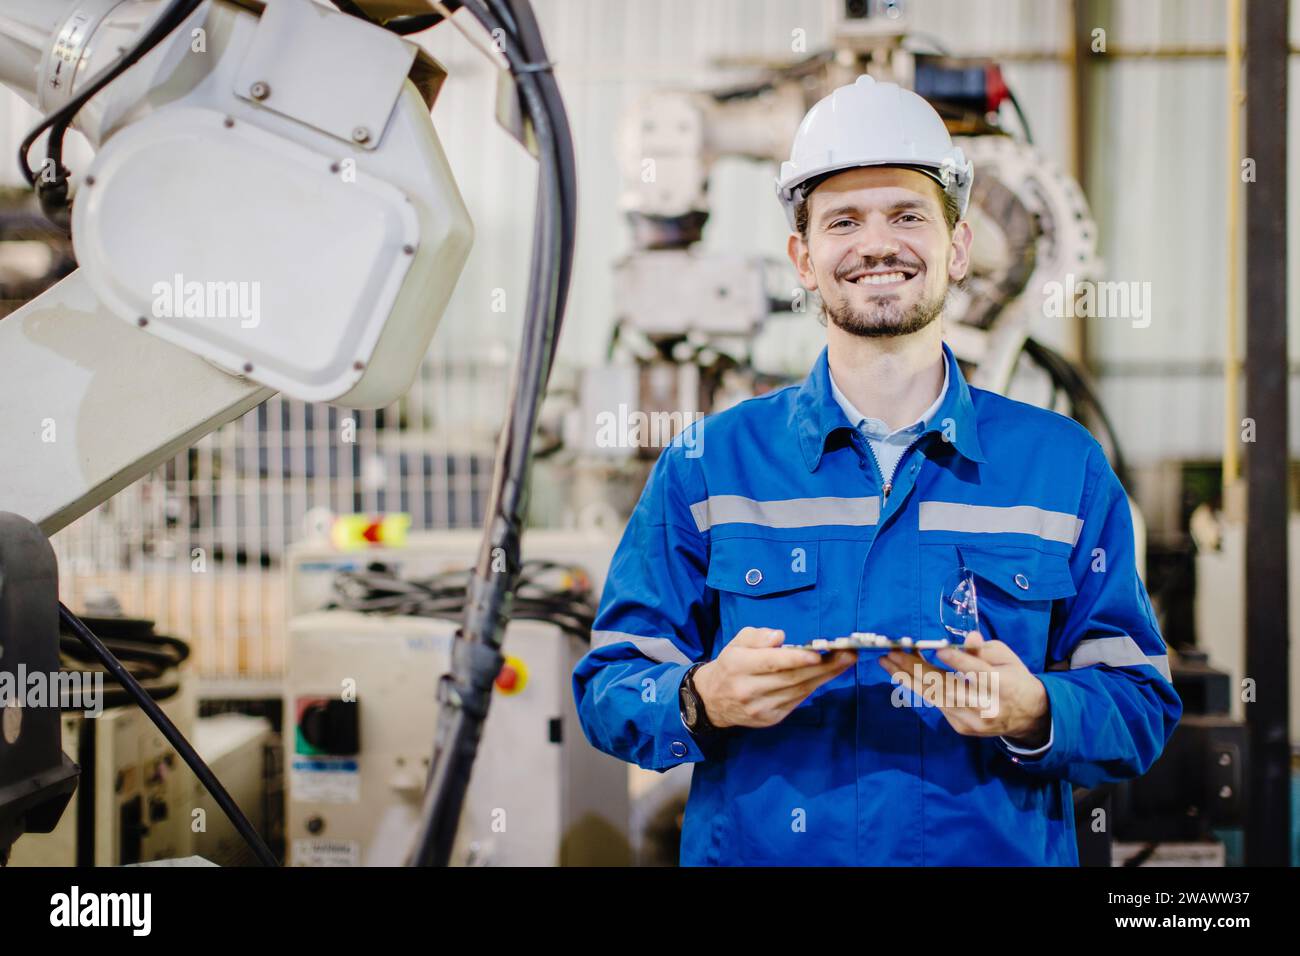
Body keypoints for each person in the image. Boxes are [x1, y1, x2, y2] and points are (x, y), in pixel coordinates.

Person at [573, 74, 1181, 865]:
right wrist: (701, 697)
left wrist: (1037, 708)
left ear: (958, 248)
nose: (876, 244)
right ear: (803, 257)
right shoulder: (710, 464)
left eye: (906, 215)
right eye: (843, 221)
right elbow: (611, 681)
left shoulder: (1061, 467)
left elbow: (1138, 701)